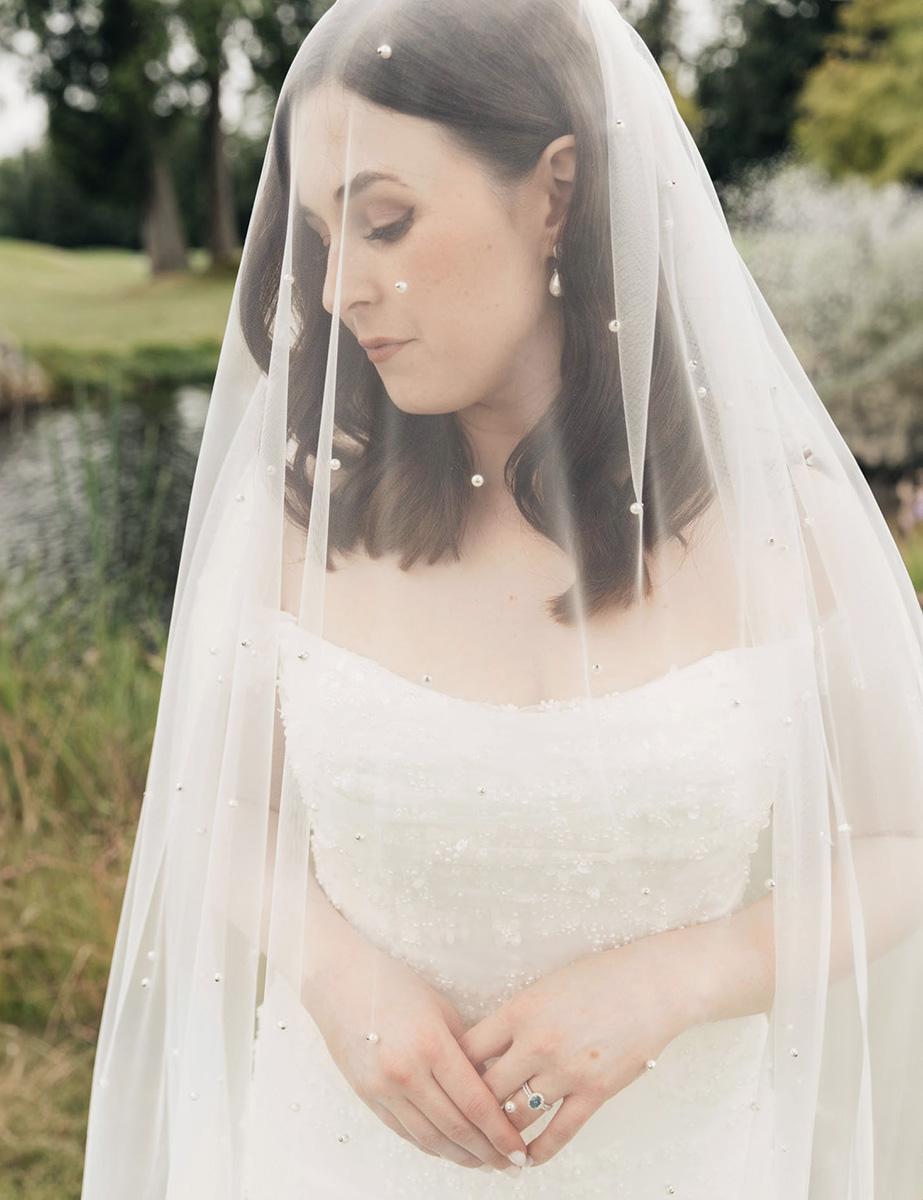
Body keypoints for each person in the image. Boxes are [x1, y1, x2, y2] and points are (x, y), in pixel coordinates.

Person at [80, 1, 923, 1197]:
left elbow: (902, 842)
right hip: (331, 1156)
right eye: (324, 240)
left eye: (384, 221)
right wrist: (330, 969)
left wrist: (679, 977)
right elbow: (217, 811)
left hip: (683, 1161)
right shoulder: (293, 521)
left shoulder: (785, 525)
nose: (339, 293)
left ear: (555, 194)